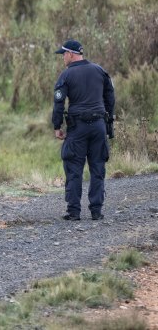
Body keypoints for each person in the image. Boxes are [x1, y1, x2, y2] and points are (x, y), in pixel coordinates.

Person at [52, 40, 115, 221]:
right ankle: (96, 211)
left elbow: (58, 103)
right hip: (98, 126)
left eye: (63, 54)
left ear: (71, 54)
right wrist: (109, 119)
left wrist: (57, 126)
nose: (63, 57)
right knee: (97, 168)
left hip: (77, 128)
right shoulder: (99, 71)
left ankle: (74, 212)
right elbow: (110, 96)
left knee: (73, 168)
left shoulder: (66, 75)